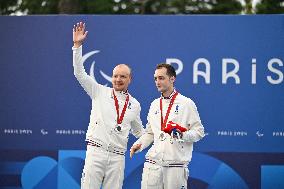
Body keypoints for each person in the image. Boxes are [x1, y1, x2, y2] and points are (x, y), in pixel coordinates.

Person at [72, 21, 144, 189]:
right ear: (111, 77)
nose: (118, 79)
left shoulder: (134, 105)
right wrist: (77, 46)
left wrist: (158, 135)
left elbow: (139, 131)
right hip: (96, 152)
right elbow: (79, 73)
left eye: (123, 77)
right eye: (115, 76)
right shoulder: (99, 91)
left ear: (130, 79)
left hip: (118, 157)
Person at [130, 63, 205, 189]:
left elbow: (199, 132)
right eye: (155, 78)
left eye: (161, 78)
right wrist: (140, 144)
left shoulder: (186, 103)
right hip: (153, 164)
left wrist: (183, 135)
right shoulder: (154, 104)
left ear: (172, 79)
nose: (157, 82)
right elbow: (150, 133)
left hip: (175, 166)